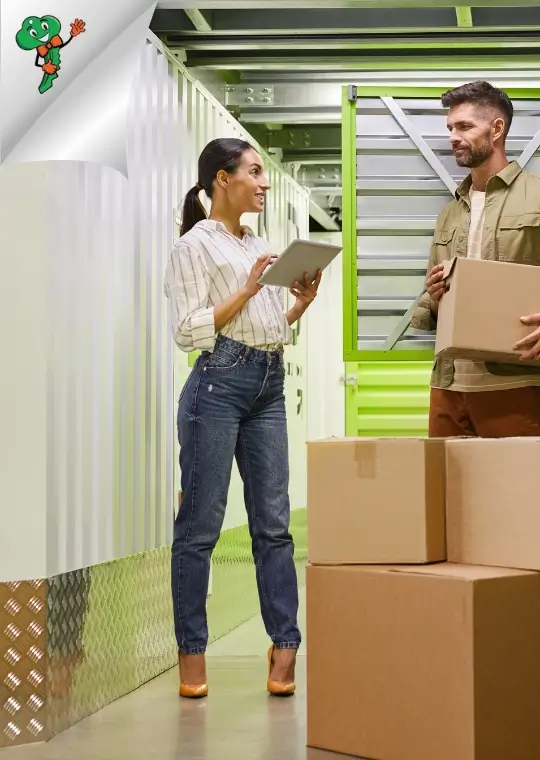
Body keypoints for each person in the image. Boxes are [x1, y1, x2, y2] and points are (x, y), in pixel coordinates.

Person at [164, 137, 321, 699]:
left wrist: (297, 303)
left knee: (273, 526)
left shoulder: (261, 242)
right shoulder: (194, 246)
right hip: (217, 388)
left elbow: (269, 322)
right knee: (200, 529)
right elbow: (188, 330)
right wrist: (250, 287)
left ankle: (284, 645)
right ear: (221, 180)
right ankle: (191, 655)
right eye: (254, 172)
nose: (264, 182)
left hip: (268, 385)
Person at [412, 81, 540, 437]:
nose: (453, 137)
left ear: (497, 128)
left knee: (514, 493)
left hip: (515, 383)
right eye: (450, 128)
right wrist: (433, 294)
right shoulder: (449, 213)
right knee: (446, 493)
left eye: (464, 126)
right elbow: (437, 297)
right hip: (447, 384)